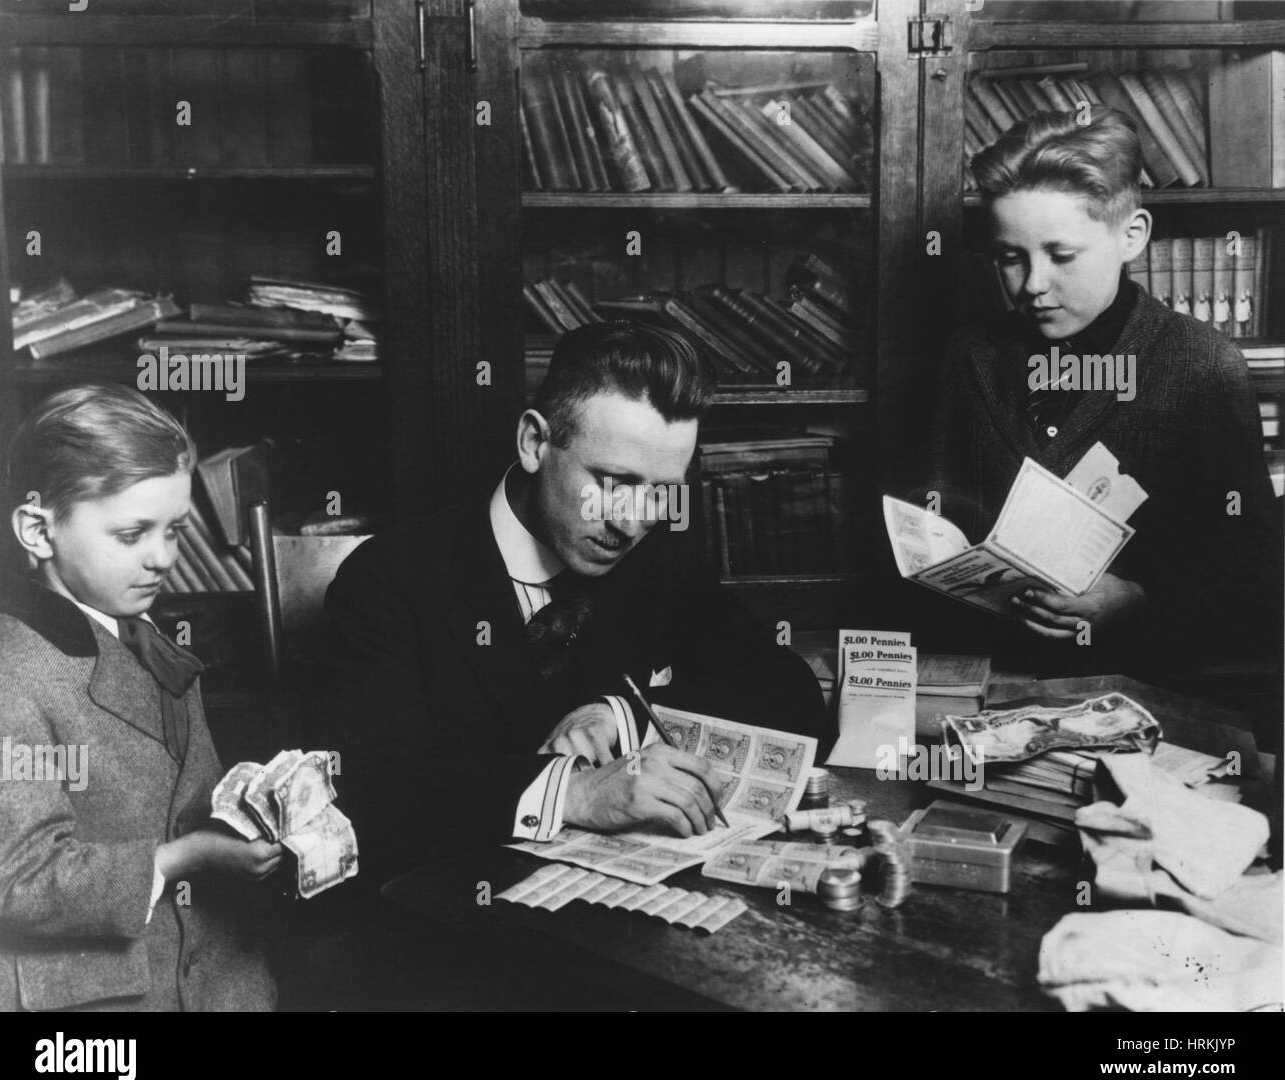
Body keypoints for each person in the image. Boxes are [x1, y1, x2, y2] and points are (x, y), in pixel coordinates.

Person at [323, 322, 828, 884]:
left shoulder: (659, 561)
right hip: (453, 930)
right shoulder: (390, 578)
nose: (633, 521)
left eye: (661, 491)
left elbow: (794, 695)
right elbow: (366, 798)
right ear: (535, 443)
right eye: (613, 481)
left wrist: (621, 714)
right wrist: (577, 793)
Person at [917, 108, 1282, 682]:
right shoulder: (972, 353)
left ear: (1131, 235)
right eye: (1010, 258)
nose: (1033, 284)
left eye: (1061, 256)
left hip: (1143, 683)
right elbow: (936, 508)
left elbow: (1257, 570)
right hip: (992, 679)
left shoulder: (1202, 365)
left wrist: (1135, 598)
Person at [0, 384, 280, 1012]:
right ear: (39, 530)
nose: (162, 558)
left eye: (174, 530)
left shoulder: (148, 641)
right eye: (131, 533)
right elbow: (21, 881)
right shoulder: (5, 676)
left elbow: (190, 797)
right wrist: (185, 857)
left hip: (213, 982)